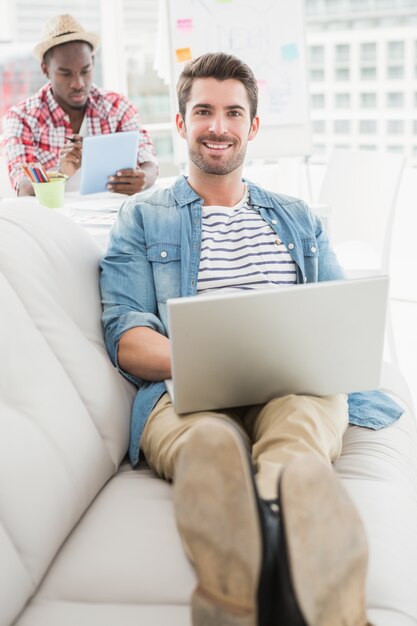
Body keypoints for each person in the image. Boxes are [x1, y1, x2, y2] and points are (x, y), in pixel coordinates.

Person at [99, 52, 402, 626]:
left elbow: (340, 319)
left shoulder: (296, 216)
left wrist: (289, 360)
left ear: (252, 126)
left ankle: (269, 542)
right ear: (182, 124)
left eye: (234, 112)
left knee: (298, 441)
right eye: (205, 111)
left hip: (295, 386)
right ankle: (281, 574)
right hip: (183, 388)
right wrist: (216, 361)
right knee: (207, 446)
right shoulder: (142, 217)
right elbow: (128, 337)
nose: (219, 126)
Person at [2, 14, 158, 197]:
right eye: (65, 73)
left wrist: (144, 178)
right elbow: (23, 187)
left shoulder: (117, 106)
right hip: (52, 219)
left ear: (93, 62)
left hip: (112, 214)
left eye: (85, 71)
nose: (78, 83)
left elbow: (149, 161)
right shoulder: (22, 118)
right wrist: (61, 172)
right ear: (45, 69)